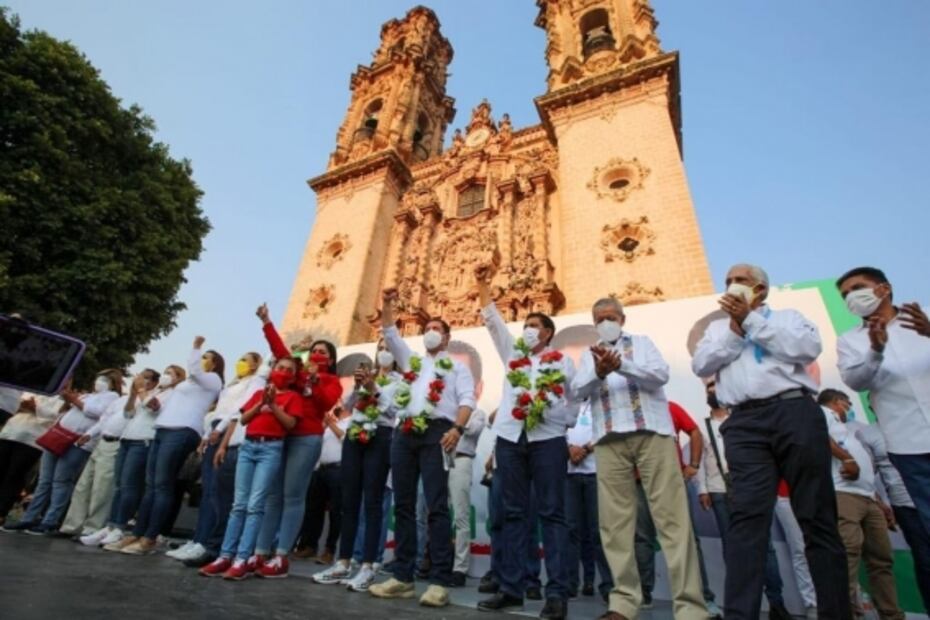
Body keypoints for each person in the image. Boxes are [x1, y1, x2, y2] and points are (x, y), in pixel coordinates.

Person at [692, 263, 849, 620]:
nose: (733, 285)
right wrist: (735, 328)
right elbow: (702, 364)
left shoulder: (788, 317)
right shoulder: (717, 328)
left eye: (742, 281)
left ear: (760, 290)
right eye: (729, 281)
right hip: (744, 423)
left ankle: (835, 613)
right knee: (746, 520)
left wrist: (752, 321)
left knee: (816, 516)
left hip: (794, 413)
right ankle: (740, 614)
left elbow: (804, 349)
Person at [573, 296, 705, 620]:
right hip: (608, 439)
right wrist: (599, 373)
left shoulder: (643, 344)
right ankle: (623, 602)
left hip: (651, 433)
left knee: (672, 519)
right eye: (599, 317)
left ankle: (690, 606)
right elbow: (577, 390)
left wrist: (621, 365)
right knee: (614, 525)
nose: (605, 321)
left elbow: (659, 375)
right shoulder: (588, 355)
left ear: (622, 318)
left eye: (610, 315)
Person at [474, 268, 577, 620]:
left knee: (551, 514)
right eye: (526, 325)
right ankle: (512, 589)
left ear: (548, 332)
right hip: (509, 438)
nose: (528, 329)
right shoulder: (512, 354)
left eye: (535, 325)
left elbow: (575, 402)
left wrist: (560, 421)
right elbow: (492, 321)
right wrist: (483, 284)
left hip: (548, 440)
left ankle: (557, 593)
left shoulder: (562, 362)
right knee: (514, 514)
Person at [368, 287, 475, 609]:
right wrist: (386, 303)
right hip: (404, 433)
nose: (430, 333)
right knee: (402, 505)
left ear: (446, 338)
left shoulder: (457, 368)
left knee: (437, 506)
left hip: (438, 433)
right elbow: (389, 330)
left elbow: (468, 400)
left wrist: (457, 428)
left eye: (437, 330)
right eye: (427, 329)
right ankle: (402, 577)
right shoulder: (410, 362)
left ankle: (440, 581)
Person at [836, 267, 930, 554]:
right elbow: (856, 380)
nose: (852, 296)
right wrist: (875, 351)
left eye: (858, 287)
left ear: (884, 288)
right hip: (908, 444)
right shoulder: (850, 340)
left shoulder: (924, 316)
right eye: (846, 294)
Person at [254, 304, 343, 578]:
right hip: (283, 435)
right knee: (273, 496)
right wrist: (267, 322)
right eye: (314, 350)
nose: (317, 354)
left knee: (293, 495)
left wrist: (315, 382)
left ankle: (282, 555)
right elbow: (281, 351)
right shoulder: (298, 373)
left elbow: (325, 403)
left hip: (307, 438)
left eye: (323, 352)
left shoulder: (332, 381)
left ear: (330, 359)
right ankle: (260, 552)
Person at [696, 381, 798, 619]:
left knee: (766, 548)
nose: (712, 392)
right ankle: (739, 607)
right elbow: (700, 461)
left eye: (715, 387)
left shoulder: (745, 422)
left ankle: (776, 602)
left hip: (750, 489)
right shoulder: (704, 428)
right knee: (732, 549)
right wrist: (703, 489)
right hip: (719, 490)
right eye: (708, 389)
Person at [200, 357, 304, 580]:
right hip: (248, 446)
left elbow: (290, 424)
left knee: (255, 505)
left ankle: (242, 558)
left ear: (294, 376)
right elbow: (244, 419)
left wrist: (274, 405)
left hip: (271, 448)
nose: (283, 372)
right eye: (280, 368)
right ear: (273, 370)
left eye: (289, 370)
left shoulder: (293, 397)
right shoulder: (259, 394)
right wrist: (261, 404)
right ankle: (225, 556)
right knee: (238, 505)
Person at [119, 336, 224, 555]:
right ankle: (137, 533)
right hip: (163, 428)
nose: (201, 359)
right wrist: (142, 392)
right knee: (152, 485)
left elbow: (194, 371)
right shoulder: (187, 384)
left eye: (206, 357)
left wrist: (195, 347)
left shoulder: (212, 379)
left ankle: (151, 537)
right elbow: (156, 406)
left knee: (163, 484)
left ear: (214, 364)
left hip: (183, 430)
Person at [313, 343, 398, 591]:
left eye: (389, 347)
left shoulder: (401, 381)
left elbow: (392, 410)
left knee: (371, 503)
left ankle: (368, 566)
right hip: (354, 435)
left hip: (380, 436)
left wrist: (374, 388)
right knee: (349, 502)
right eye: (381, 346)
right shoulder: (368, 374)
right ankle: (343, 562)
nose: (384, 350)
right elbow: (349, 406)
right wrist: (361, 386)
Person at [169, 352, 266, 565]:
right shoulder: (232, 385)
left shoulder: (256, 382)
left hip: (227, 430)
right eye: (239, 358)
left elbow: (237, 411)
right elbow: (219, 410)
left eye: (245, 360)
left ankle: (209, 543)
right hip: (214, 429)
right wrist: (206, 434)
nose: (240, 362)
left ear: (255, 365)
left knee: (218, 493)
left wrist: (221, 432)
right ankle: (198, 539)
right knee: (207, 490)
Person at [634, 401, 727, 617]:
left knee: (687, 540)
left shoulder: (669, 407)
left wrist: (693, 465)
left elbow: (694, 431)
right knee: (641, 540)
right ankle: (643, 595)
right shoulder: (629, 411)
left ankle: (703, 597)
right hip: (639, 484)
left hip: (671, 480)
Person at [818, 388, 904, 619]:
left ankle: (891, 614)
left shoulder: (848, 429)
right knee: (847, 558)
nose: (849, 409)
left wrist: (879, 501)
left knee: (881, 559)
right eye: (847, 404)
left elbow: (866, 467)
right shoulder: (822, 414)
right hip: (843, 494)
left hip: (867, 497)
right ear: (836, 402)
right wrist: (846, 458)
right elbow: (817, 435)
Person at [6, 369, 121, 534]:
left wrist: (76, 401)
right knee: (44, 481)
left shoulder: (112, 398)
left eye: (104, 379)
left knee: (61, 481)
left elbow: (98, 414)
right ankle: (28, 518)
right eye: (98, 378)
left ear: (113, 382)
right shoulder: (87, 395)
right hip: (59, 436)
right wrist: (70, 400)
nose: (99, 382)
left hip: (77, 442)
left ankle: (50, 520)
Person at [101, 365, 184, 550]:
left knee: (131, 485)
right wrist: (133, 393)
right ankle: (111, 525)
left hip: (144, 440)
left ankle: (121, 526)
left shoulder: (174, 394)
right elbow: (128, 413)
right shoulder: (151, 391)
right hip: (128, 438)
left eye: (169, 373)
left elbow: (154, 408)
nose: (165, 376)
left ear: (179, 378)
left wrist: (140, 390)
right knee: (120, 485)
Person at [856, 421, 930, 612]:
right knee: (925, 560)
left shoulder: (919, 422)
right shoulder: (867, 433)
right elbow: (866, 471)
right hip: (905, 506)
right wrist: (879, 502)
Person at [61, 375, 133, 538]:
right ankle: (72, 526)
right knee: (83, 486)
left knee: (102, 488)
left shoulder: (140, 400)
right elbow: (104, 419)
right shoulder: (121, 400)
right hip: (101, 441)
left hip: (116, 444)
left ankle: (92, 527)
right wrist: (89, 433)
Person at [564, 402, 613, 602]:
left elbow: (608, 430)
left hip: (595, 472)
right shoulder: (566, 404)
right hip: (569, 474)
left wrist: (584, 449)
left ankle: (608, 585)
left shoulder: (601, 402)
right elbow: (557, 431)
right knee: (570, 530)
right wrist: (569, 449)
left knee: (598, 532)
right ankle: (570, 583)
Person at [0, 389, 64, 526]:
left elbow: (53, 415)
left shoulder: (60, 398)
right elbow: (16, 405)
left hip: (31, 440)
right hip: (10, 432)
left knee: (14, 474)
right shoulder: (33, 391)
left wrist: (36, 407)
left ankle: (2, 511)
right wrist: (25, 405)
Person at [300, 406, 348, 571]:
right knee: (313, 509)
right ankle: (309, 546)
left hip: (339, 469)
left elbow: (346, 439)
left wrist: (332, 425)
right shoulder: (331, 423)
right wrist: (325, 425)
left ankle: (330, 550)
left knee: (336, 511)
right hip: (321, 469)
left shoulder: (352, 422)